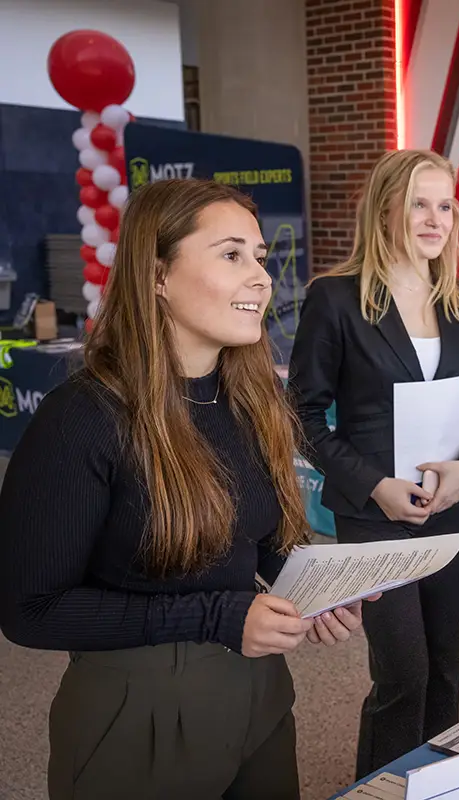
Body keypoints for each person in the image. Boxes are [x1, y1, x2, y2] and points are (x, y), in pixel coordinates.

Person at [0, 179, 368, 799]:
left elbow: (263, 540)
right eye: (231, 255)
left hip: (259, 692)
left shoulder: (254, 401)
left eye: (259, 256)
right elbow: (29, 610)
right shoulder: (82, 417)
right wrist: (218, 615)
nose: (261, 277)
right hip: (137, 711)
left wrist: (314, 586)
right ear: (157, 276)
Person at [288, 149, 459, 777]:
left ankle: (436, 786)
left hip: (450, 510)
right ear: (384, 209)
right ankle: (379, 789)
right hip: (375, 514)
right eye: (418, 203)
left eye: (444, 206)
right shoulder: (336, 299)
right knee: (402, 673)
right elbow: (302, 417)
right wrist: (373, 484)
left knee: (444, 666)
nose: (434, 219)